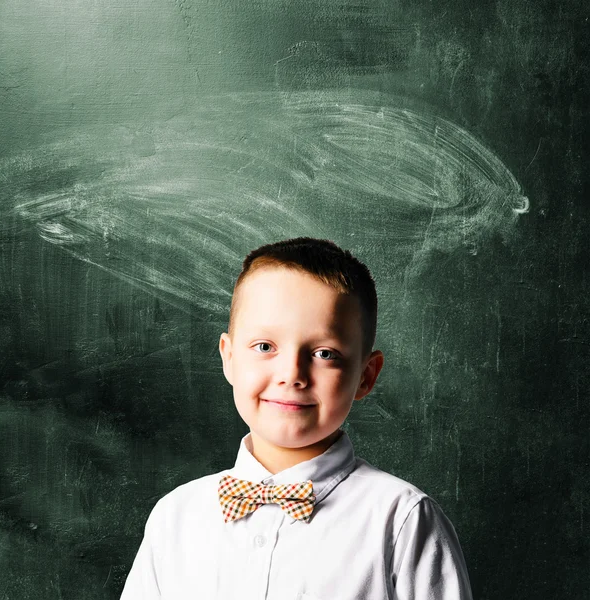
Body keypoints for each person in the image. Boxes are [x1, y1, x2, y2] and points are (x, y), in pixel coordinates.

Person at [120, 237, 473, 600]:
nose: (292, 374)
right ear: (228, 358)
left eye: (324, 353)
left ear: (366, 376)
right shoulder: (176, 517)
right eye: (264, 347)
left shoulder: (402, 520)